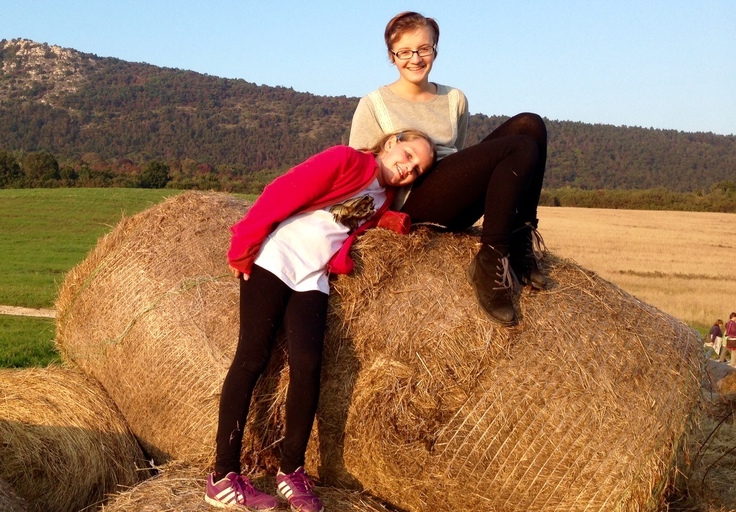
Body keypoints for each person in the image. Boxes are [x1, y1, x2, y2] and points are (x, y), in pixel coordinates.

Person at [205, 130, 437, 511]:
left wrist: (394, 222)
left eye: (417, 169)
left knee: (309, 366)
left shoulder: (385, 196)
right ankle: (222, 476)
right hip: (277, 257)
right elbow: (283, 191)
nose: (408, 167)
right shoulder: (346, 160)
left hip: (312, 276)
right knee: (252, 358)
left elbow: (351, 221)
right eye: (408, 154)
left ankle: (290, 472)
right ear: (392, 142)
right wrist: (242, 246)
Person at [349, 11, 549, 327]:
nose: (415, 59)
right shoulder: (374, 104)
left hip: (453, 191)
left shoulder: (455, 99)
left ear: (435, 50)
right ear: (392, 56)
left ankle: (521, 238)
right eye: (404, 52)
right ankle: (493, 257)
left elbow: (457, 153)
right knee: (521, 147)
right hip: (413, 200)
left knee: (531, 125)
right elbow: (357, 167)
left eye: (423, 49)